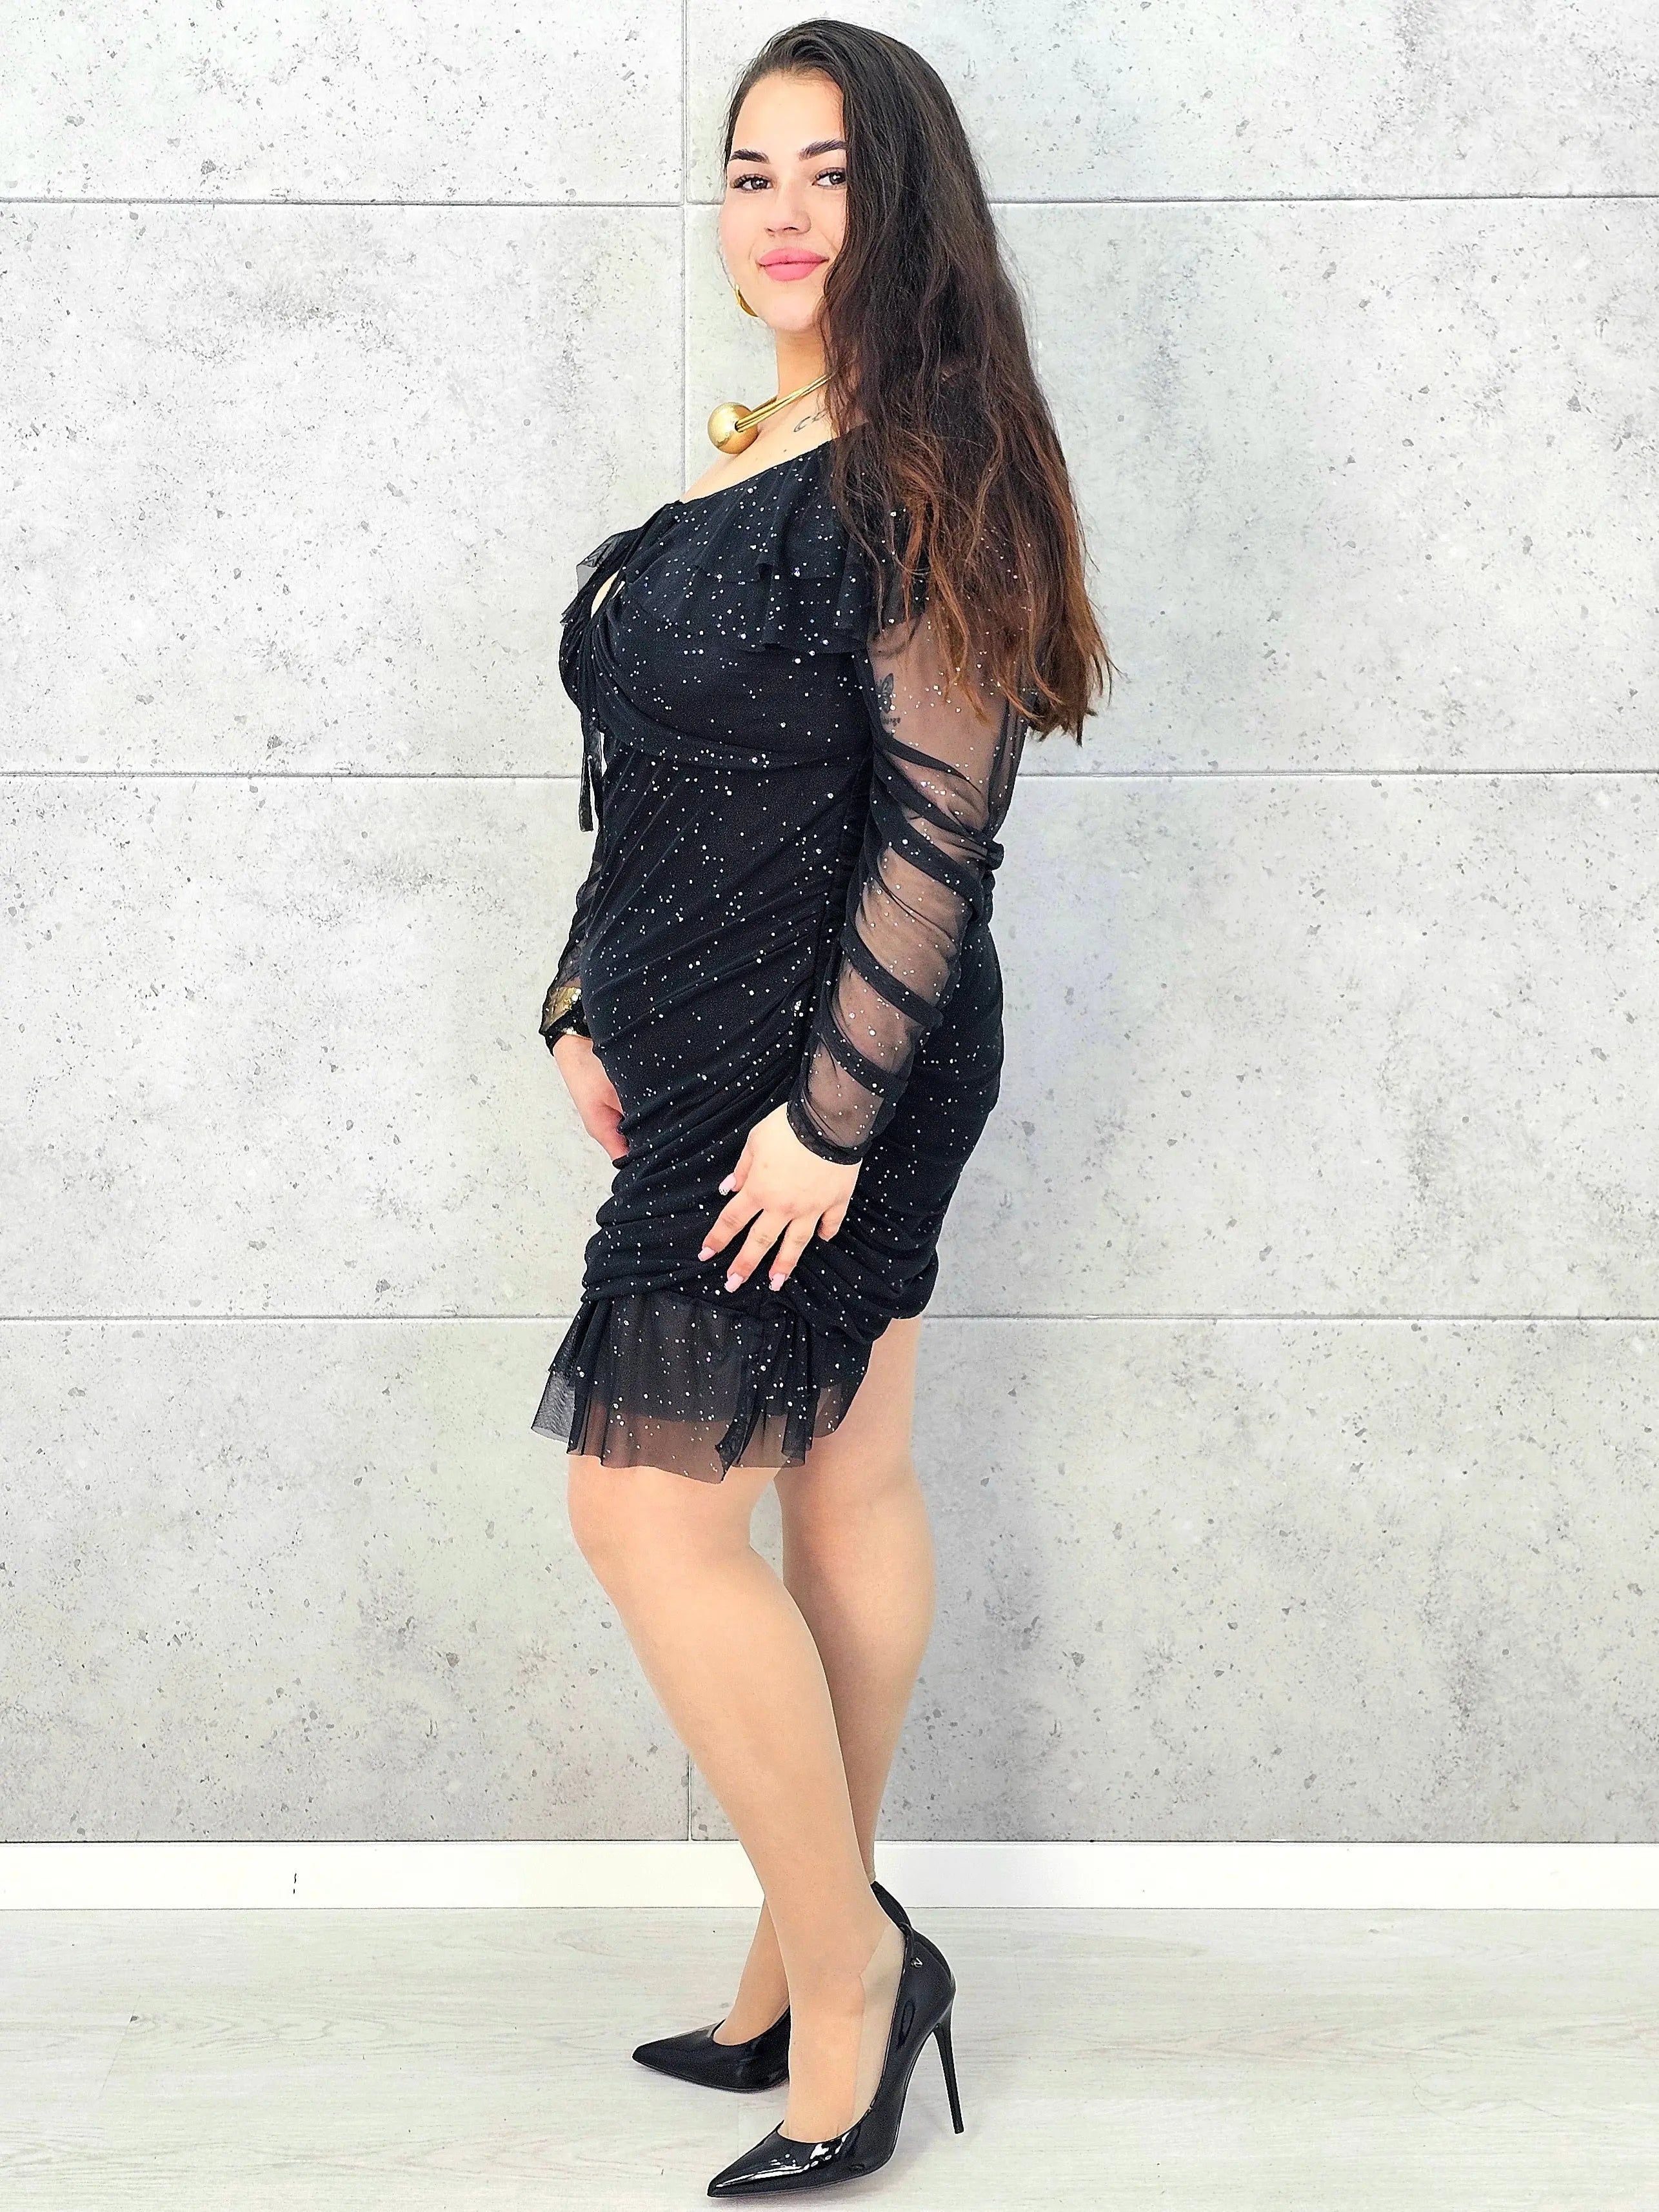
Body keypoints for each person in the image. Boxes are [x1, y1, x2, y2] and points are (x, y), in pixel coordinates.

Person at [533, 21, 1113, 2195]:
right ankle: (797, 1954)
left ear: (906, 206)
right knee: (842, 1477)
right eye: (749, 170)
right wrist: (573, 994)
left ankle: (853, 1973)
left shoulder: (928, 465)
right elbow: (657, 786)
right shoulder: (760, 442)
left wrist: (828, 1124)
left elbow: (938, 836)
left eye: (832, 173)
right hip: (697, 1043)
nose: (780, 214)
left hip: (829, 1068)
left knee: (644, 1509)